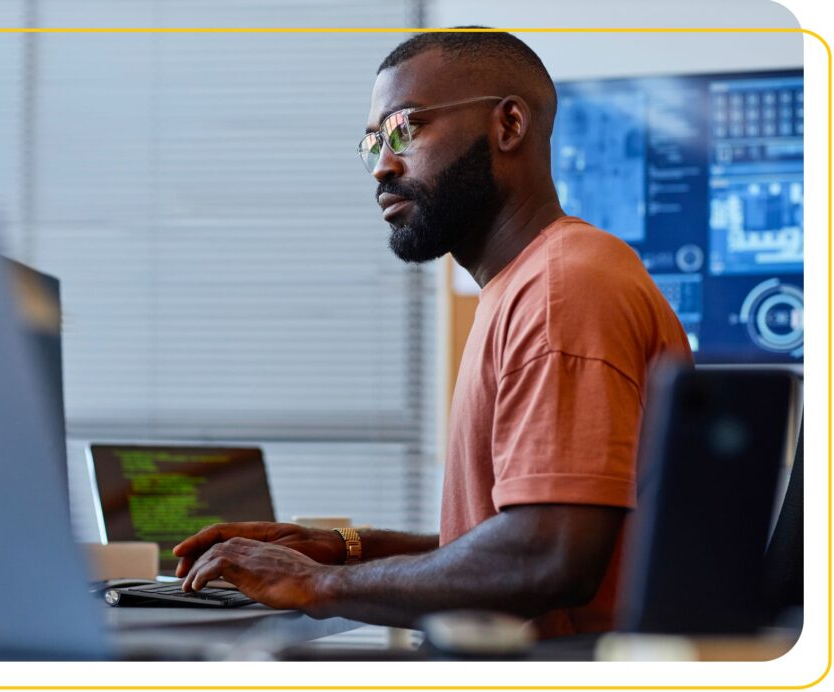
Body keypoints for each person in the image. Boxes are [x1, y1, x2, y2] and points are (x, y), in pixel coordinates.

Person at [173, 29, 692, 638]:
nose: (383, 167)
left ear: (509, 126)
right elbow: (503, 539)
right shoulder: (528, 284)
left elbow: (545, 557)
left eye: (405, 130)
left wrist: (317, 584)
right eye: (373, 144)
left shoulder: (561, 290)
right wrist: (341, 549)